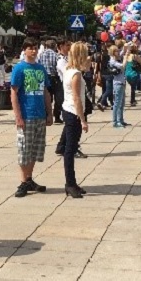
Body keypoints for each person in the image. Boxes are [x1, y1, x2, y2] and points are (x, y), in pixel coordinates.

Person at [10, 37, 53, 199]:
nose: (33, 51)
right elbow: (13, 93)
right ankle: (23, 181)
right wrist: (18, 116)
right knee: (24, 149)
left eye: (35, 48)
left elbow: (45, 92)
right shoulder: (19, 68)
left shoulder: (41, 69)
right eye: (30, 48)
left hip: (40, 114)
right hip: (26, 115)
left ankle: (29, 179)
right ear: (24, 50)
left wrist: (50, 112)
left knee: (35, 149)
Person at [61, 42, 90, 198]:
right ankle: (70, 184)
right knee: (70, 150)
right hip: (73, 112)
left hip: (67, 109)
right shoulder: (76, 74)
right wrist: (83, 119)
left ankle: (72, 182)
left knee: (69, 149)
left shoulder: (69, 69)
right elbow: (77, 98)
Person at [109, 44, 129, 128]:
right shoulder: (113, 61)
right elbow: (123, 66)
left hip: (122, 82)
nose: (118, 52)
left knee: (122, 103)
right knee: (117, 103)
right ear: (113, 52)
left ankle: (120, 120)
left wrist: (126, 46)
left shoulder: (117, 58)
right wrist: (125, 58)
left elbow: (123, 50)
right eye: (116, 51)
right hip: (118, 83)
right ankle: (115, 121)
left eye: (118, 50)